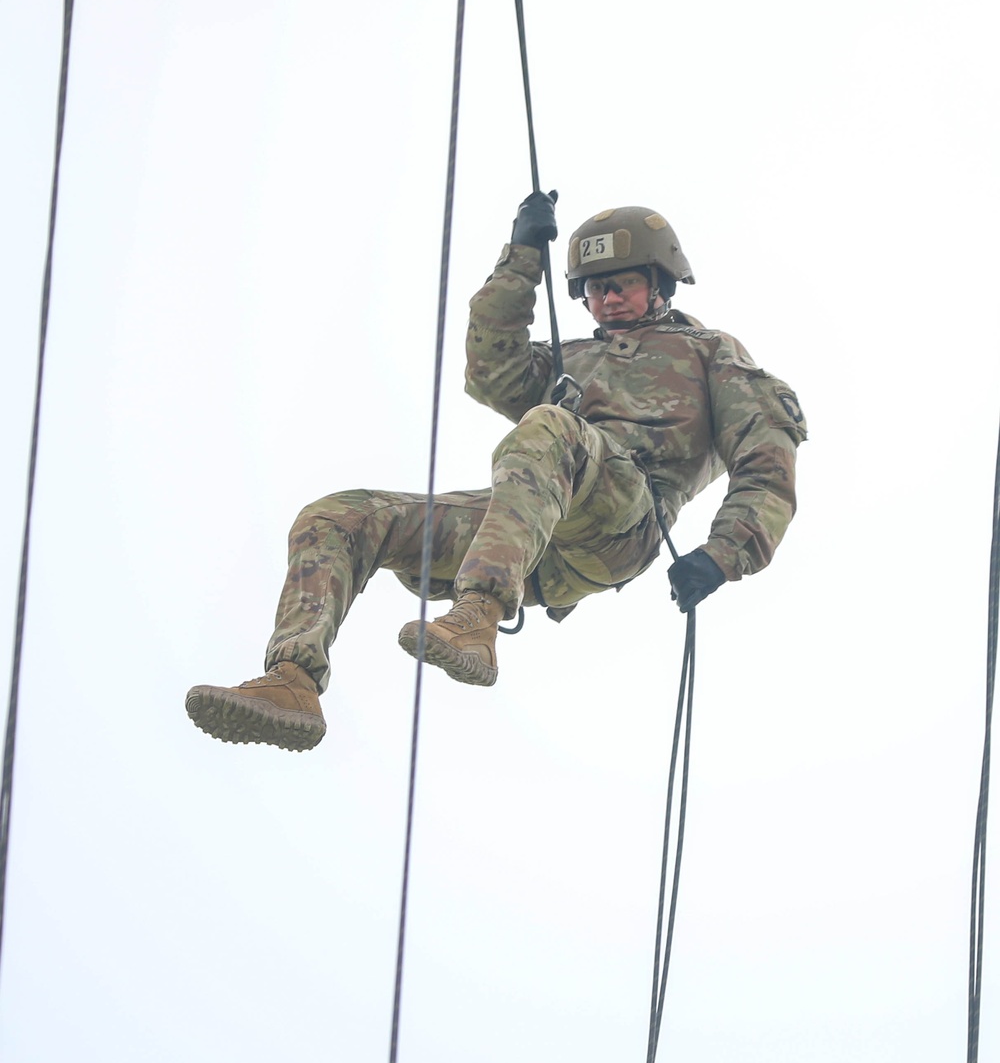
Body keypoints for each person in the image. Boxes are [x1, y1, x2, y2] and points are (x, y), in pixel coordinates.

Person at [185, 195, 806, 751]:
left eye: (620, 283)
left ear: (661, 282)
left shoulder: (709, 355)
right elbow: (491, 367)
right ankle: (292, 679)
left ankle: (478, 618)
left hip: (624, 519)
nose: (606, 298)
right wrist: (521, 260)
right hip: (528, 531)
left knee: (547, 427)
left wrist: (722, 556)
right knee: (340, 515)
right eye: (592, 288)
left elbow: (767, 463)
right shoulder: (571, 360)